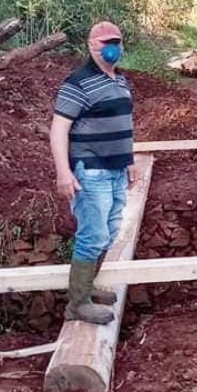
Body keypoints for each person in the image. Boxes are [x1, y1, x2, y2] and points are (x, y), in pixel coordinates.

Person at [50, 21, 138, 325]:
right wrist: (64, 172)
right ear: (91, 46)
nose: (111, 47)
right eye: (104, 43)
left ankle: (87, 289)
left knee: (110, 231)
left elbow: (123, 123)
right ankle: (77, 304)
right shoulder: (78, 83)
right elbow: (59, 129)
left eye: (116, 41)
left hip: (115, 170)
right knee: (93, 235)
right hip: (91, 171)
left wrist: (129, 160)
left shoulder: (120, 81)